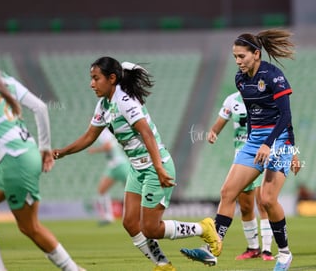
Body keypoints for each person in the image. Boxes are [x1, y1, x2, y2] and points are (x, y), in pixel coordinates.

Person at [52, 57, 221, 271]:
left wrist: (159, 168)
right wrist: (61, 152)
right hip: (136, 168)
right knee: (130, 223)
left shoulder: (124, 101)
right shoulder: (104, 105)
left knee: (150, 228)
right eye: (91, 79)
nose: (91, 84)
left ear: (111, 78)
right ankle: (163, 265)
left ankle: (203, 227)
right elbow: (89, 137)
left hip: (154, 166)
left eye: (96, 78)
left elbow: (147, 134)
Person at [181, 29, 297, 271]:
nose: (238, 61)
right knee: (227, 192)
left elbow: (286, 115)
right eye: (235, 57)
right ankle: (212, 250)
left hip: (279, 140)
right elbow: (253, 114)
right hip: (255, 141)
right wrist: (255, 141)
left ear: (256, 54)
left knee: (266, 199)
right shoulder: (240, 79)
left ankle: (284, 253)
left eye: (241, 56)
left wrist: (278, 146)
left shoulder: (274, 76)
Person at [0, 69, 85, 271]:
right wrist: (44, 148)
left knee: (30, 227)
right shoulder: (3, 79)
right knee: (29, 226)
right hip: (24, 154)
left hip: (14, 161)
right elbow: (40, 107)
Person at [208, 91, 275, 261]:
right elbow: (218, 126)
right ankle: (253, 248)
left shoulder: (265, 96)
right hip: (241, 159)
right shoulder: (231, 100)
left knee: (262, 202)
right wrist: (213, 133)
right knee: (245, 206)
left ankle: (267, 250)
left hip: (261, 155)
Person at [87, 127, 130, 225]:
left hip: (121, 165)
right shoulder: (104, 133)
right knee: (101, 190)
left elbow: (108, 146)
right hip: (113, 166)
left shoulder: (104, 133)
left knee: (132, 190)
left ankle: (142, 212)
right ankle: (108, 216)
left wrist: (95, 150)